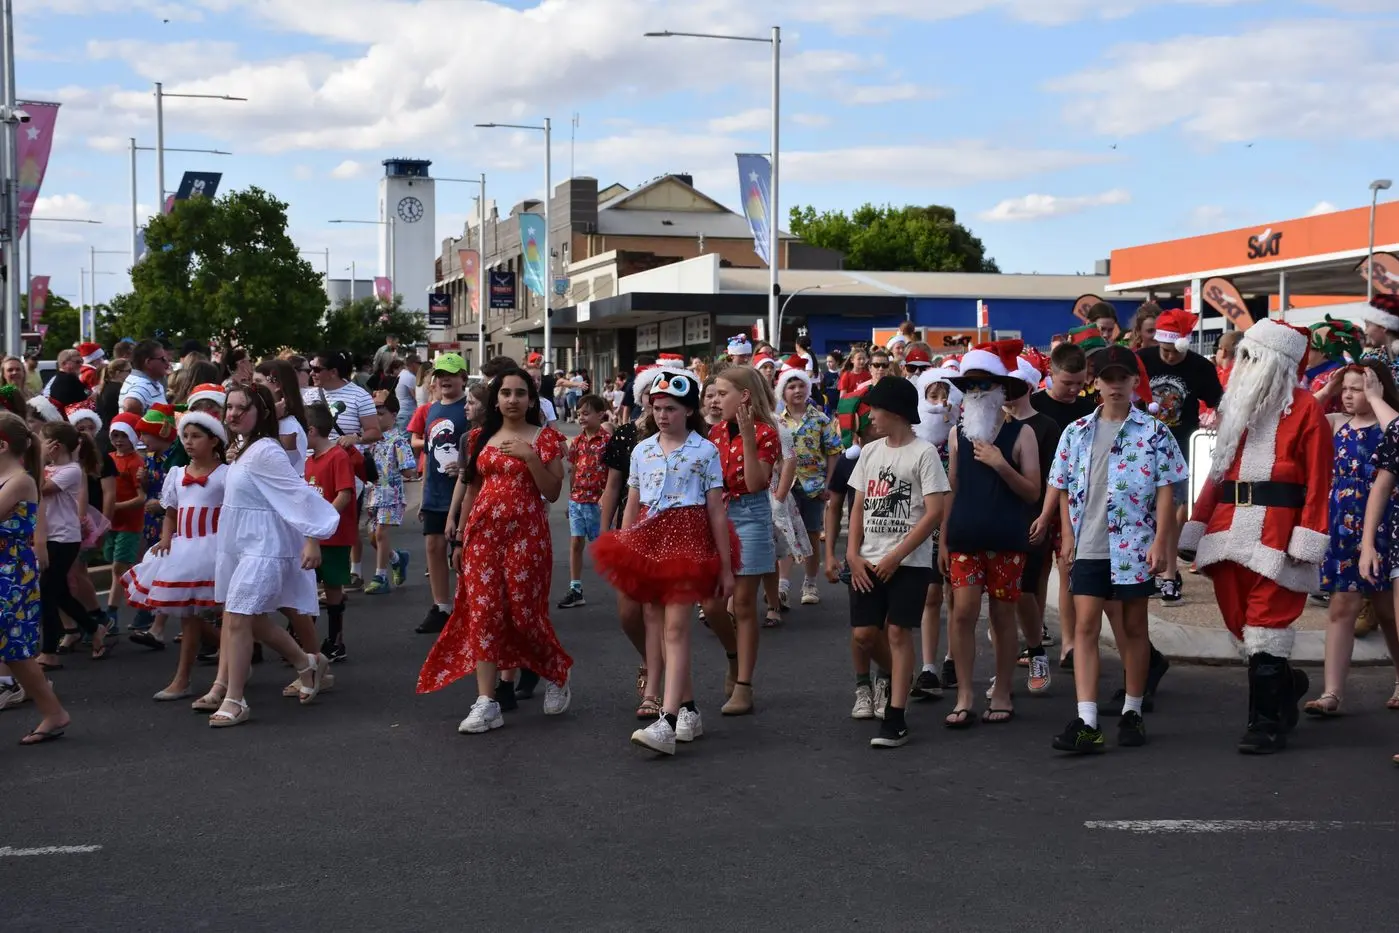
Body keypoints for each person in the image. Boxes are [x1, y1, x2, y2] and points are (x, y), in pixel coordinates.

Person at [1178, 319, 1331, 754]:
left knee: (1266, 625)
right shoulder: (1234, 408)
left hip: (1279, 534)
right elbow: (1216, 471)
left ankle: (1264, 724)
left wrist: (1309, 536)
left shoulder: (1306, 410)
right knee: (1239, 624)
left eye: (1251, 357)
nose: (1241, 364)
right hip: (1228, 530)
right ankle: (1285, 682)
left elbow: (1320, 482)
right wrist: (1197, 523)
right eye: (1241, 355)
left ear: (1277, 363)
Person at [1037, 345, 1187, 753]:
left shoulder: (1154, 431)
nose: (1114, 385)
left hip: (1134, 545)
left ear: (1135, 382)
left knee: (1134, 628)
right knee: (1085, 628)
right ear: (1095, 383)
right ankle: (1086, 721)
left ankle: (1133, 710)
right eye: (1106, 378)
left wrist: (1160, 542)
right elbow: (1062, 483)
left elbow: (1166, 488)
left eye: (1122, 378)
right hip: (1089, 543)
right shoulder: (1077, 431)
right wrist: (1065, 534)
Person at [419, 368, 573, 733]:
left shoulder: (545, 438)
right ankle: (486, 701)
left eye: (521, 393)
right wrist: (460, 539)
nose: (513, 399)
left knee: (523, 615)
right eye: (506, 393)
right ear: (496, 399)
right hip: (483, 537)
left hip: (527, 537)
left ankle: (555, 671)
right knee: (484, 614)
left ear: (531, 400)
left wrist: (530, 457)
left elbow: (552, 492)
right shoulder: (476, 439)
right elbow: (472, 490)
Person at [591, 370, 734, 754]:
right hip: (650, 539)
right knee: (655, 622)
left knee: (675, 627)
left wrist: (724, 565)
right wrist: (625, 546)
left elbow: (717, 511)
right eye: (657, 408)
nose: (663, 415)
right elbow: (633, 502)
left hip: (689, 539)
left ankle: (667, 719)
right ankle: (687, 708)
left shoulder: (705, 451)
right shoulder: (642, 450)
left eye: (671, 408)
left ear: (689, 411)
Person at [204, 384, 337, 728]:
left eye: (241, 408)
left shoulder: (265, 451)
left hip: (266, 547)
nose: (232, 414)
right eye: (229, 407)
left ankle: (235, 699)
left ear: (260, 412)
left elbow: (298, 494)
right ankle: (307, 663)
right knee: (252, 619)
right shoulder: (243, 448)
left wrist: (313, 538)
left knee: (236, 618)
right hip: (243, 543)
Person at [845, 377, 948, 747]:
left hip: (910, 563)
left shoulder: (924, 453)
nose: (870, 416)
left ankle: (896, 716)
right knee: (863, 635)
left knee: (897, 633)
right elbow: (857, 506)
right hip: (867, 560)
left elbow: (934, 511)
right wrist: (852, 554)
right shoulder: (871, 452)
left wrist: (896, 555)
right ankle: (889, 677)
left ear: (896, 412)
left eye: (875, 409)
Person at [941, 341, 1039, 728]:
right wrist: (944, 539)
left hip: (1006, 537)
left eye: (983, 386)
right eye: (970, 387)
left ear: (1001, 389)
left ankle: (1001, 689)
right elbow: (951, 488)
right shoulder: (955, 437)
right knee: (962, 612)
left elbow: (1034, 491)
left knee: (1002, 614)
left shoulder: (1022, 435)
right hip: (964, 534)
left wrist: (1001, 464)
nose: (976, 394)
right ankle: (965, 692)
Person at [1307, 362, 1399, 715]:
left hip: (1384, 525)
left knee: (1388, 610)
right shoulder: (1336, 425)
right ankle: (1332, 693)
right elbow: (1300, 417)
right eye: (1345, 387)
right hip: (1343, 525)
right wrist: (1327, 390)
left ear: (1376, 389)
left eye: (1356, 388)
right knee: (1341, 605)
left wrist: (1375, 399)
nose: (1348, 394)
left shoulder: (1389, 426)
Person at [121, 413, 228, 701]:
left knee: (237, 619)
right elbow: (171, 512)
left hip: (215, 550)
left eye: (196, 436)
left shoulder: (226, 474)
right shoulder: (177, 474)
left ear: (214, 440)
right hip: (185, 548)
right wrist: (166, 539)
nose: (189, 442)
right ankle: (184, 679)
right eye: (186, 436)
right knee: (190, 618)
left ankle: (295, 658)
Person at [705, 365, 780, 716]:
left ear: (744, 396)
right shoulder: (713, 433)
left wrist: (748, 437)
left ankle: (744, 685)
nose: (716, 399)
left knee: (745, 603)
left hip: (750, 513)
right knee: (711, 603)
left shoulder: (766, 433)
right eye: (714, 394)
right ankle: (734, 657)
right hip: (716, 514)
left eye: (723, 393)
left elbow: (754, 484)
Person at [1138, 309, 1223, 604]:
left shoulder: (1200, 367)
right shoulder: (1143, 360)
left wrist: (1221, 433)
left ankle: (1170, 574)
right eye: (1164, 350)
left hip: (1181, 446)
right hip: (1143, 445)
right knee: (1145, 509)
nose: (1170, 356)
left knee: (1173, 511)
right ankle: (1148, 567)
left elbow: (1219, 403)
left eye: (1175, 351)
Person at [0, 412, 71, 744]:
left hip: (9, 574)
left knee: (15, 652)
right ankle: (54, 712)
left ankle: (54, 712)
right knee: (14, 654)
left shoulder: (20, 481)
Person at [1030, 342, 1098, 669]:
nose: (1073, 389)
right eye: (1066, 383)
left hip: (1075, 502)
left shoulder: (1089, 410)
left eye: (1079, 383)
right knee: (1036, 569)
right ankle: (1034, 634)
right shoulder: (1033, 406)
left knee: (1068, 568)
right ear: (1051, 374)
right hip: (1037, 500)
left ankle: (1069, 643)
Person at [1004, 357, 1060, 695]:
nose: (1006, 393)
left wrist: (1046, 516)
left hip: (1032, 518)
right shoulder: (993, 425)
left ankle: (1034, 649)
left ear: (1027, 385)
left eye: (1013, 385)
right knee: (1000, 599)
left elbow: (1055, 479)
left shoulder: (1046, 426)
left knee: (1026, 590)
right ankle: (1005, 670)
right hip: (999, 520)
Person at [305, 349, 382, 589]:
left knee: (340, 524)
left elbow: (374, 431)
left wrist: (355, 438)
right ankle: (317, 581)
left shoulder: (359, 395)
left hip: (342, 469)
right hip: (311, 470)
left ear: (333, 372)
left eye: (316, 369)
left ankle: (342, 578)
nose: (312, 373)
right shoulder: (307, 395)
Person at [37, 422, 113, 663]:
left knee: (48, 592)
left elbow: (40, 489)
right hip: (48, 536)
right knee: (57, 592)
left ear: (54, 446)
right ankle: (93, 627)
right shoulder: (50, 467)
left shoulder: (71, 470)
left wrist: (37, 461)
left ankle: (48, 652)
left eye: (41, 441)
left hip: (64, 538)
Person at [411, 353, 470, 634]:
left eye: (451, 373)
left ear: (463, 378)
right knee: (433, 547)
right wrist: (424, 497)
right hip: (434, 491)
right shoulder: (432, 409)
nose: (445, 378)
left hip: (463, 493)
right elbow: (428, 454)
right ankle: (441, 607)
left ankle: (469, 606)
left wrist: (462, 468)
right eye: (440, 374)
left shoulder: (469, 410)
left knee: (465, 553)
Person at [777, 362, 842, 607]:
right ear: (783, 392)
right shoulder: (777, 421)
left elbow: (834, 451)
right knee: (783, 534)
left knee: (812, 533)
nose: (797, 390)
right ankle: (782, 585)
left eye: (801, 385)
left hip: (813, 485)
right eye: (791, 386)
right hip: (785, 485)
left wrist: (829, 483)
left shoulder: (820, 419)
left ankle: (810, 582)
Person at [304, 402, 358, 663]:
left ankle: (336, 640)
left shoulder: (337, 456)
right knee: (307, 584)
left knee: (333, 586)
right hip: (313, 534)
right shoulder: (310, 460)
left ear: (312, 430)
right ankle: (305, 637)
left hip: (333, 535)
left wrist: (324, 520)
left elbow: (344, 494)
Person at [558, 394, 610, 609]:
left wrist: (609, 499)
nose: (581, 417)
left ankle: (629, 586)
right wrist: (570, 498)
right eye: (579, 414)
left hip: (599, 502)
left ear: (600, 414)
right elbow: (574, 470)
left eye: (586, 413)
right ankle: (575, 587)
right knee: (576, 543)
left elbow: (614, 473)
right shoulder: (577, 442)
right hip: (578, 500)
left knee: (606, 546)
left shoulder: (608, 441)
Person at [363, 391, 415, 596]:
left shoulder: (398, 440)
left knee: (381, 533)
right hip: (373, 493)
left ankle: (380, 576)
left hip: (390, 493)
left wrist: (405, 468)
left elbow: (409, 469)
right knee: (373, 537)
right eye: (373, 412)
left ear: (394, 415)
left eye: (381, 412)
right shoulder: (370, 439)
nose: (376, 417)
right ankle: (396, 559)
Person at [102, 413, 147, 632]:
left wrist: (115, 507)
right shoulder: (109, 458)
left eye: (124, 435)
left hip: (129, 523)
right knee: (122, 566)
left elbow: (141, 498)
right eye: (116, 435)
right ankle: (147, 599)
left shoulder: (135, 462)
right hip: (111, 522)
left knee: (118, 568)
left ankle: (111, 614)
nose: (119, 440)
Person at [119, 339, 171, 415]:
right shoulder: (141, 385)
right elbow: (130, 404)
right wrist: (138, 424)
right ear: (148, 362)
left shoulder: (149, 381)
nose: (167, 363)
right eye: (163, 359)